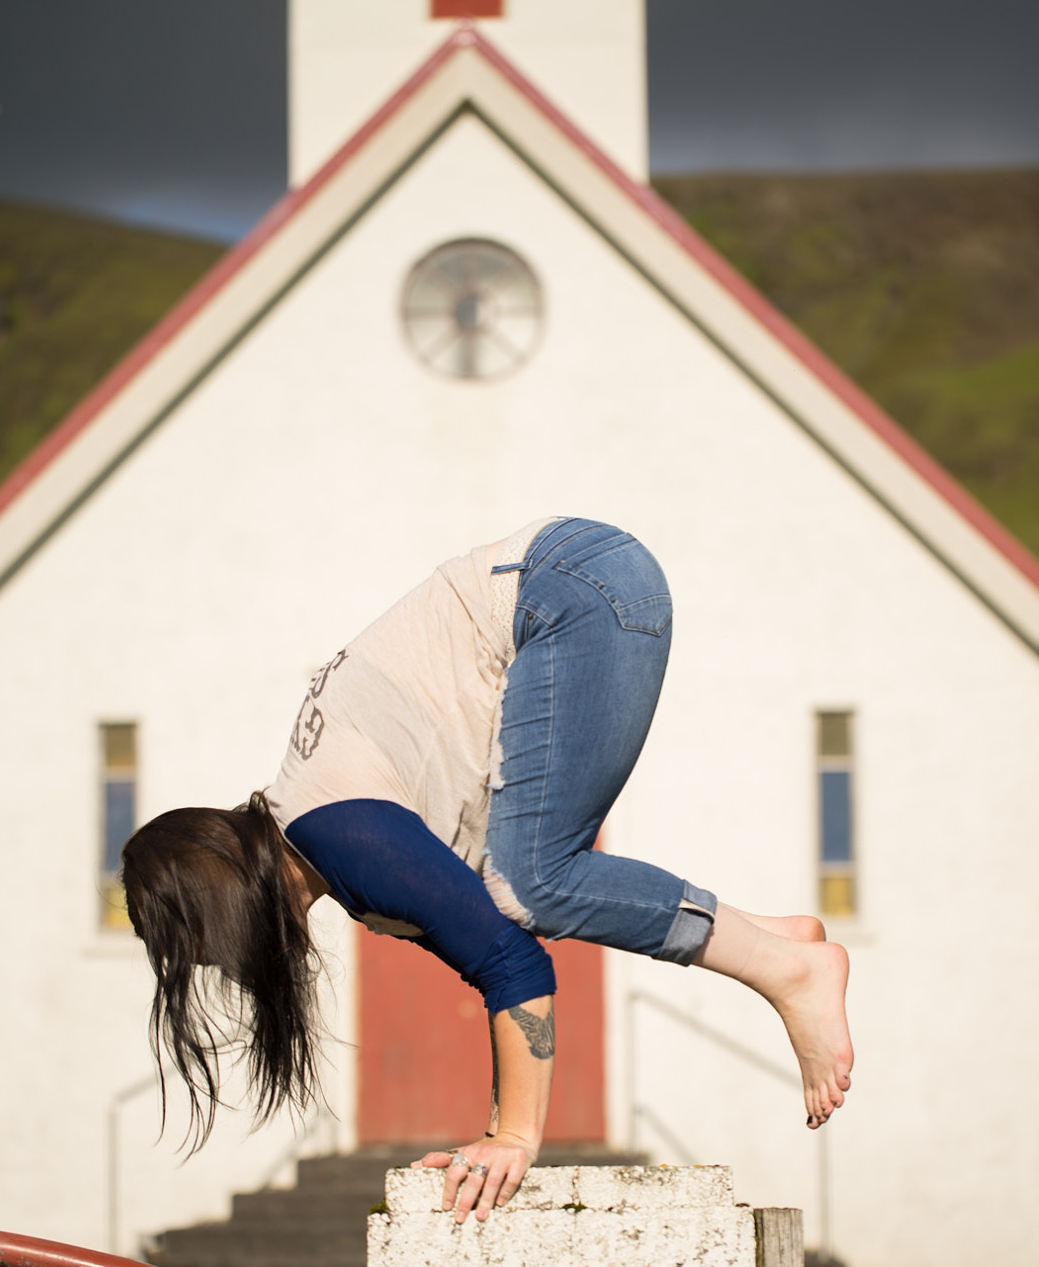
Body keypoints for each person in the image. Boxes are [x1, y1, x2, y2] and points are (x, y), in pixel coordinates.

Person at [122, 518, 853, 1225]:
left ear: (218, 897)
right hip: (582, 582)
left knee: (531, 882)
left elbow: (515, 969)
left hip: (573, 587)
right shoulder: (333, 839)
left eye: (201, 944)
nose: (218, 962)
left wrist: (513, 1139)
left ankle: (786, 972)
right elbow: (494, 943)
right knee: (520, 891)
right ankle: (780, 943)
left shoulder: (334, 829)